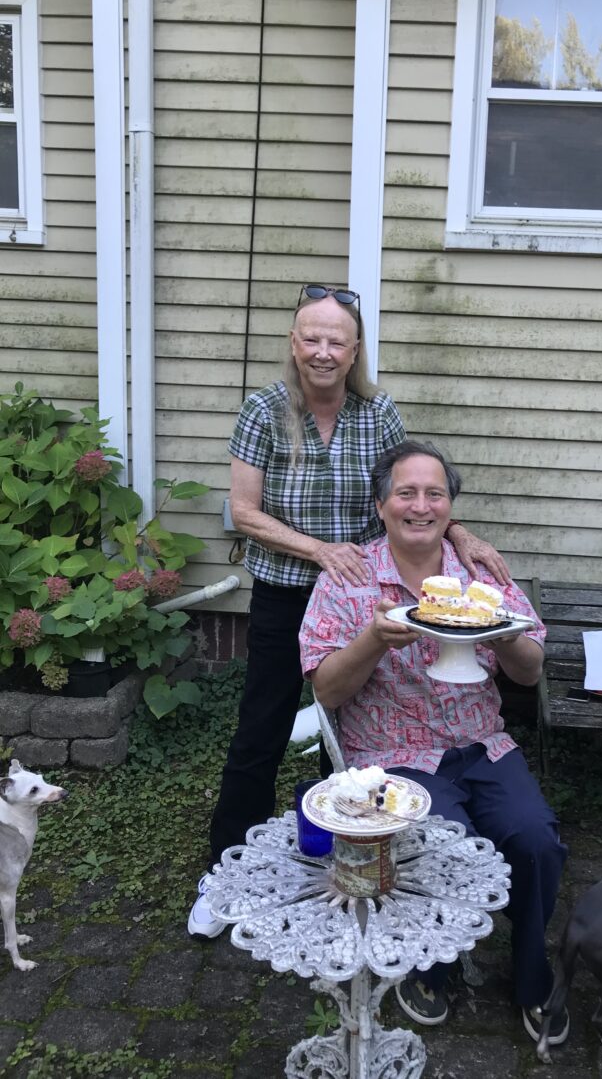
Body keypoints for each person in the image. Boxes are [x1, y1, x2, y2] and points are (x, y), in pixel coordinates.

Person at [187, 285, 510, 939]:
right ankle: (222, 879)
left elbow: (410, 490)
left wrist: (460, 535)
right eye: (312, 337)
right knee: (262, 732)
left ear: (356, 349)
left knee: (358, 727)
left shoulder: (377, 413)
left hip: (367, 591)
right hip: (285, 590)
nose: (323, 351)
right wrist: (319, 549)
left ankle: (355, 849)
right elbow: (246, 512)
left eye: (337, 340)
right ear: (293, 342)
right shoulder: (264, 411)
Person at [298, 439, 569, 1047]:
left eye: (434, 494)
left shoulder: (480, 574)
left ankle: (532, 974)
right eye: (406, 492)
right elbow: (327, 691)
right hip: (392, 757)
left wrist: (501, 634)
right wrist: (371, 640)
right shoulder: (349, 579)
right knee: (453, 847)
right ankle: (433, 967)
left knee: (537, 844)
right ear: (381, 504)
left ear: (451, 507)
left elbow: (529, 671)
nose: (420, 506)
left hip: (483, 745)